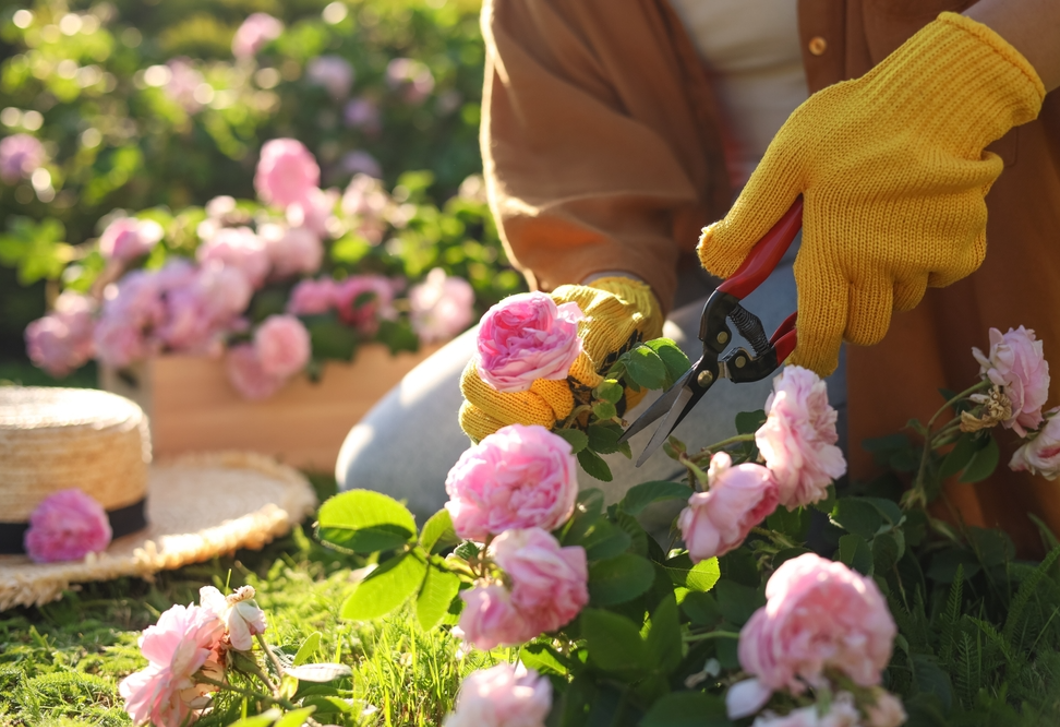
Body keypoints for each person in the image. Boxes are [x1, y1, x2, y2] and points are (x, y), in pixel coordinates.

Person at [338, 0, 1060, 554]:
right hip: (720, 248)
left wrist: (964, 80)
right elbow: (569, 133)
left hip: (932, 232)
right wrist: (607, 286)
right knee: (392, 467)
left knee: (566, 486)